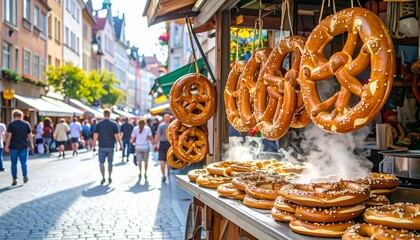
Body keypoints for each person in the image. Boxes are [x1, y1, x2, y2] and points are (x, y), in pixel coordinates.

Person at [93, 109, 123, 185]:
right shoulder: (113, 124)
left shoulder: (99, 124)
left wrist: (93, 145)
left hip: (102, 146)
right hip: (110, 146)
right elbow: (117, 136)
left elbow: (95, 135)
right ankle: (109, 176)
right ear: (110, 115)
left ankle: (103, 177)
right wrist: (120, 145)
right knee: (110, 162)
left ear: (103, 114)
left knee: (101, 163)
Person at [5, 109, 34, 186]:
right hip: (24, 146)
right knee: (23, 162)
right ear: (22, 116)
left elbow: (9, 136)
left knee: (13, 164)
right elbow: (30, 135)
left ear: (14, 116)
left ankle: (14, 179)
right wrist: (31, 144)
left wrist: (6, 145)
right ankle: (25, 175)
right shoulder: (26, 124)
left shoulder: (11, 125)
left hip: (14, 147)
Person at [154, 113, 172, 182]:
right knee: (169, 160)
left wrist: (155, 144)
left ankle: (163, 175)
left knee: (162, 161)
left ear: (164, 118)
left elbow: (158, 135)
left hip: (162, 144)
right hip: (170, 144)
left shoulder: (161, 126)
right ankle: (168, 172)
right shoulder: (172, 125)